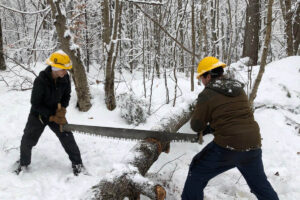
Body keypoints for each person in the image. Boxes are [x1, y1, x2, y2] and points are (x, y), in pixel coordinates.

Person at [181, 57, 279, 200]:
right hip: (253, 145)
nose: (201, 81)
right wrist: (214, 127)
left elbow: (196, 126)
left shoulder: (207, 94)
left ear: (208, 76)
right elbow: (234, 117)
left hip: (227, 147)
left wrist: (205, 123)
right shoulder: (238, 89)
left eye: (202, 77)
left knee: (197, 169)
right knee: (260, 185)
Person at [15, 50, 84, 176]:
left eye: (66, 69)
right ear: (55, 68)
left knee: (67, 137)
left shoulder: (65, 78)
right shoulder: (41, 81)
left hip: (56, 114)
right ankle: (23, 163)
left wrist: (62, 110)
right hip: (38, 115)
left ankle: (77, 163)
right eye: (63, 69)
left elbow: (66, 95)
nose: (65, 72)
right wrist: (50, 115)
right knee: (27, 140)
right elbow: (35, 103)